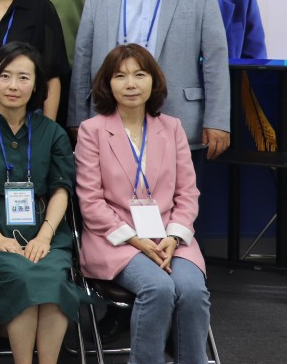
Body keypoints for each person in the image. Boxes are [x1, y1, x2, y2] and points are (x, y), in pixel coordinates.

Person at [0, 41, 83, 364]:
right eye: (5, 76)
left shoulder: (52, 133)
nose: (13, 85)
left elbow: (61, 189)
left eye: (24, 77)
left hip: (44, 231)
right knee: (23, 277)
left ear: (36, 85)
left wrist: (46, 236)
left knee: (52, 279)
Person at [76, 44, 210, 364]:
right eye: (120, 76)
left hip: (169, 236)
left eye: (139, 74)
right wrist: (136, 240)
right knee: (158, 289)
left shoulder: (172, 128)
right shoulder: (92, 131)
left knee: (192, 291)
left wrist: (173, 236)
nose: (131, 84)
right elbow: (90, 201)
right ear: (108, 84)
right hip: (116, 239)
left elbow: (187, 193)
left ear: (153, 80)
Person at [68, 0, 231, 162]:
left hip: (177, 116)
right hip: (109, 118)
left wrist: (218, 120)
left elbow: (215, 61)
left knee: (178, 188)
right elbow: (83, 59)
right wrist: (77, 117)